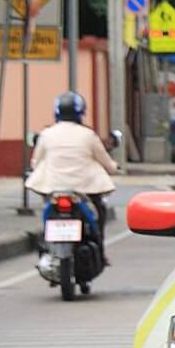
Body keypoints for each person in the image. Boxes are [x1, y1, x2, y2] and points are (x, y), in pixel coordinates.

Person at [25, 92, 119, 253]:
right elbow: (107, 164)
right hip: (84, 189)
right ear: (81, 112)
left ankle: (46, 246)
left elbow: (36, 163)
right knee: (99, 211)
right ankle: (100, 249)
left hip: (52, 188)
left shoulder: (47, 134)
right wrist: (114, 166)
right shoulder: (88, 135)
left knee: (47, 210)